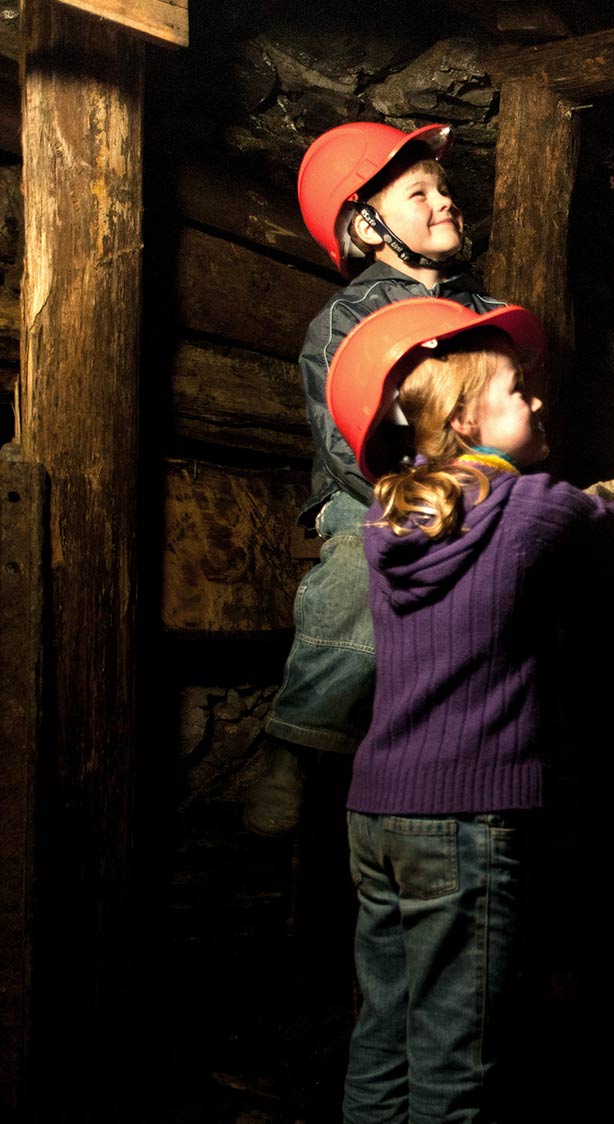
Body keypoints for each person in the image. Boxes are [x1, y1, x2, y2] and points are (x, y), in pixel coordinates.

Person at [326, 297, 614, 1122]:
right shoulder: (533, 507)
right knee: (459, 1069)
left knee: (382, 1041)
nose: (536, 401)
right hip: (465, 817)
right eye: (517, 390)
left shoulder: (387, 515)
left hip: (376, 809)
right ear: (461, 418)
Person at [244, 120, 508, 836]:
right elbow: (345, 446)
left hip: (483, 492)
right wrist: (425, 497)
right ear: (365, 225)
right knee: (373, 547)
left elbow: (516, 424)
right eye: (417, 192)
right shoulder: (346, 319)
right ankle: (299, 736)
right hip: (373, 493)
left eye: (443, 188)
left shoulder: (487, 315)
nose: (444, 201)